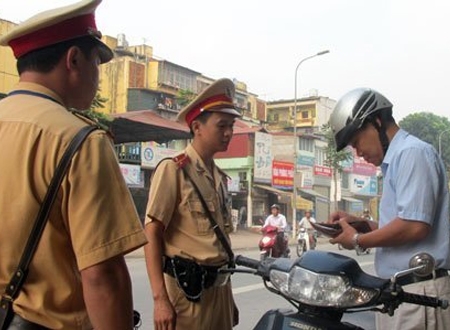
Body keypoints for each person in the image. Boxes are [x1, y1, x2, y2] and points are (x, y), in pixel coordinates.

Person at [0, 1, 148, 329]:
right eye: (97, 62)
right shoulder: (81, 141)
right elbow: (103, 277)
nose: (97, 75)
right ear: (74, 59)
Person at [328, 87, 450, 330]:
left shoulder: (412, 153)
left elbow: (414, 227)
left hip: (419, 293)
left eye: (356, 141)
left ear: (377, 122)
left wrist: (358, 239)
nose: (358, 152)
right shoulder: (395, 162)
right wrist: (360, 224)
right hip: (401, 293)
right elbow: (401, 223)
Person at [144, 78, 241, 330]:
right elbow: (152, 233)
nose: (229, 132)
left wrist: (229, 300)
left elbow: (220, 245)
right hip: (187, 297)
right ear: (197, 127)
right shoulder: (174, 171)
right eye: (222, 126)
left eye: (231, 125)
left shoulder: (218, 177)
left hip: (219, 292)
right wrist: (159, 300)